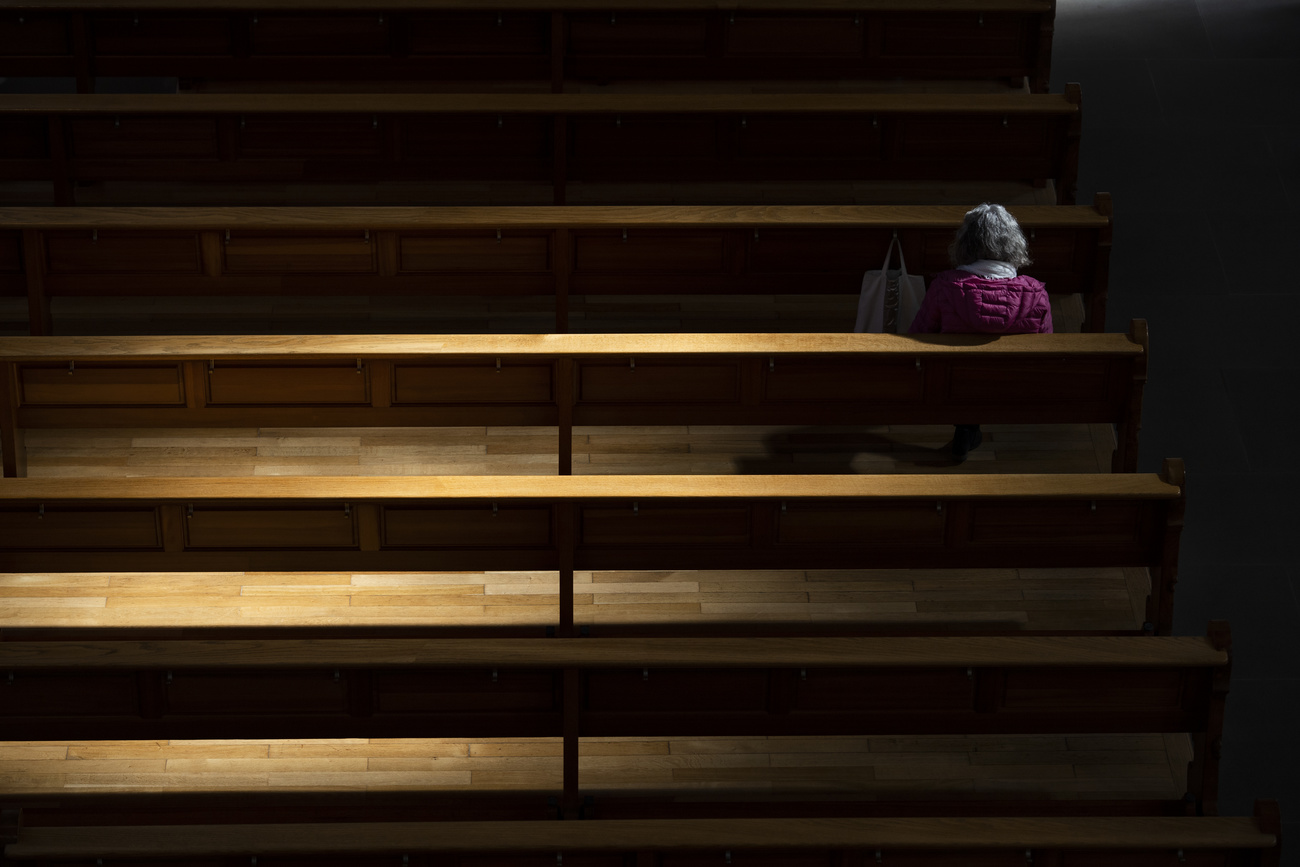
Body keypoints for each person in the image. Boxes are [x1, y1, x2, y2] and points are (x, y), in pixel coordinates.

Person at [909, 203, 1052, 461]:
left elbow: (919, 335)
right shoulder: (1036, 293)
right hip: (1013, 388)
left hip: (952, 385)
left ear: (966, 244)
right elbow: (1046, 349)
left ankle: (966, 425)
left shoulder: (945, 285)